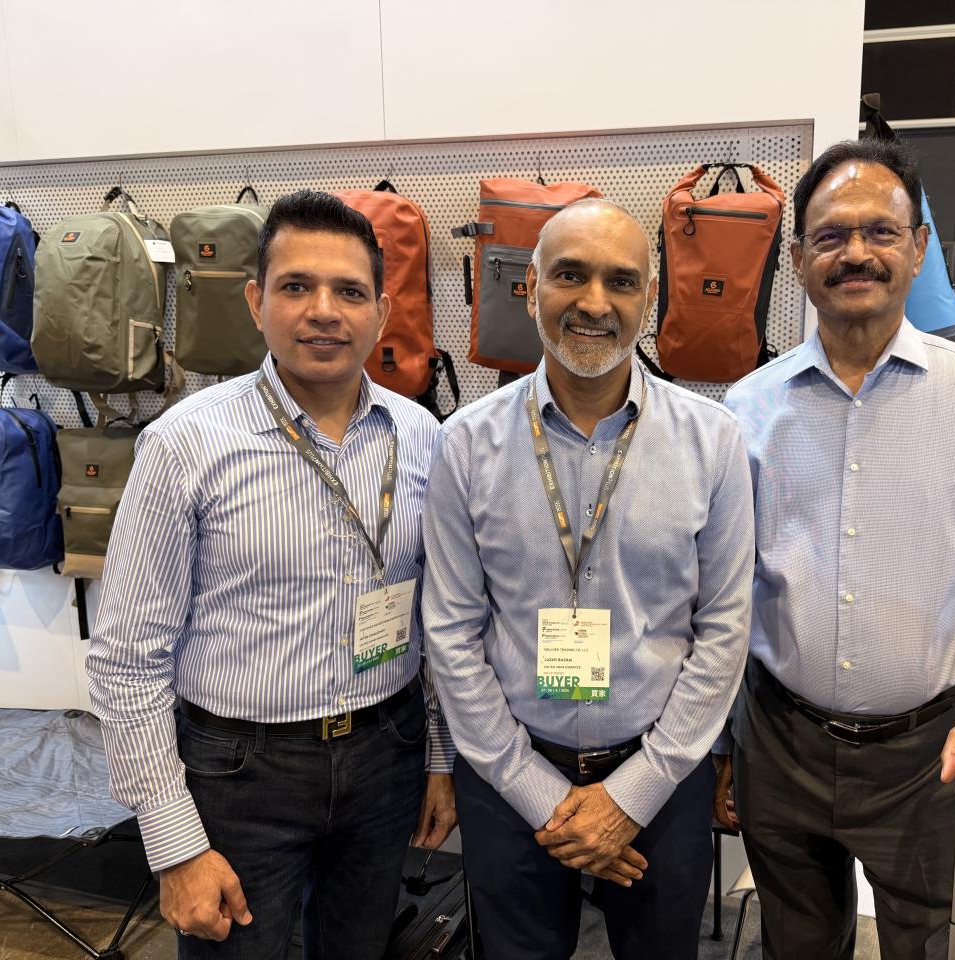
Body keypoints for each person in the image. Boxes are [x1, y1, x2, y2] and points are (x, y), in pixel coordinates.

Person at [718, 139, 955, 959]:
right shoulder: (745, 411)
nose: (856, 253)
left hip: (933, 757)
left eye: (881, 232)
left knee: (926, 944)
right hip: (778, 744)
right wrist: (721, 746)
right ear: (797, 259)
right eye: (831, 235)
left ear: (918, 247)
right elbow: (723, 593)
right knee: (796, 944)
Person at [86, 189, 457, 958]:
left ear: (382, 312)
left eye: (350, 291)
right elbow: (126, 661)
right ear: (257, 302)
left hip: (386, 754)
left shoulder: (422, 436)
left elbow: (439, 618)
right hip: (239, 772)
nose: (324, 310)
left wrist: (437, 758)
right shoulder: (185, 444)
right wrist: (174, 844)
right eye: (297, 287)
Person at [421, 198, 753, 960]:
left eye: (622, 281)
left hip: (661, 777)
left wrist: (630, 796)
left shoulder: (714, 442)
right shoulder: (465, 445)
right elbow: (450, 632)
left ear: (649, 299)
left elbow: (725, 629)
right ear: (529, 288)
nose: (595, 303)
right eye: (570, 275)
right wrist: (541, 795)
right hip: (510, 773)